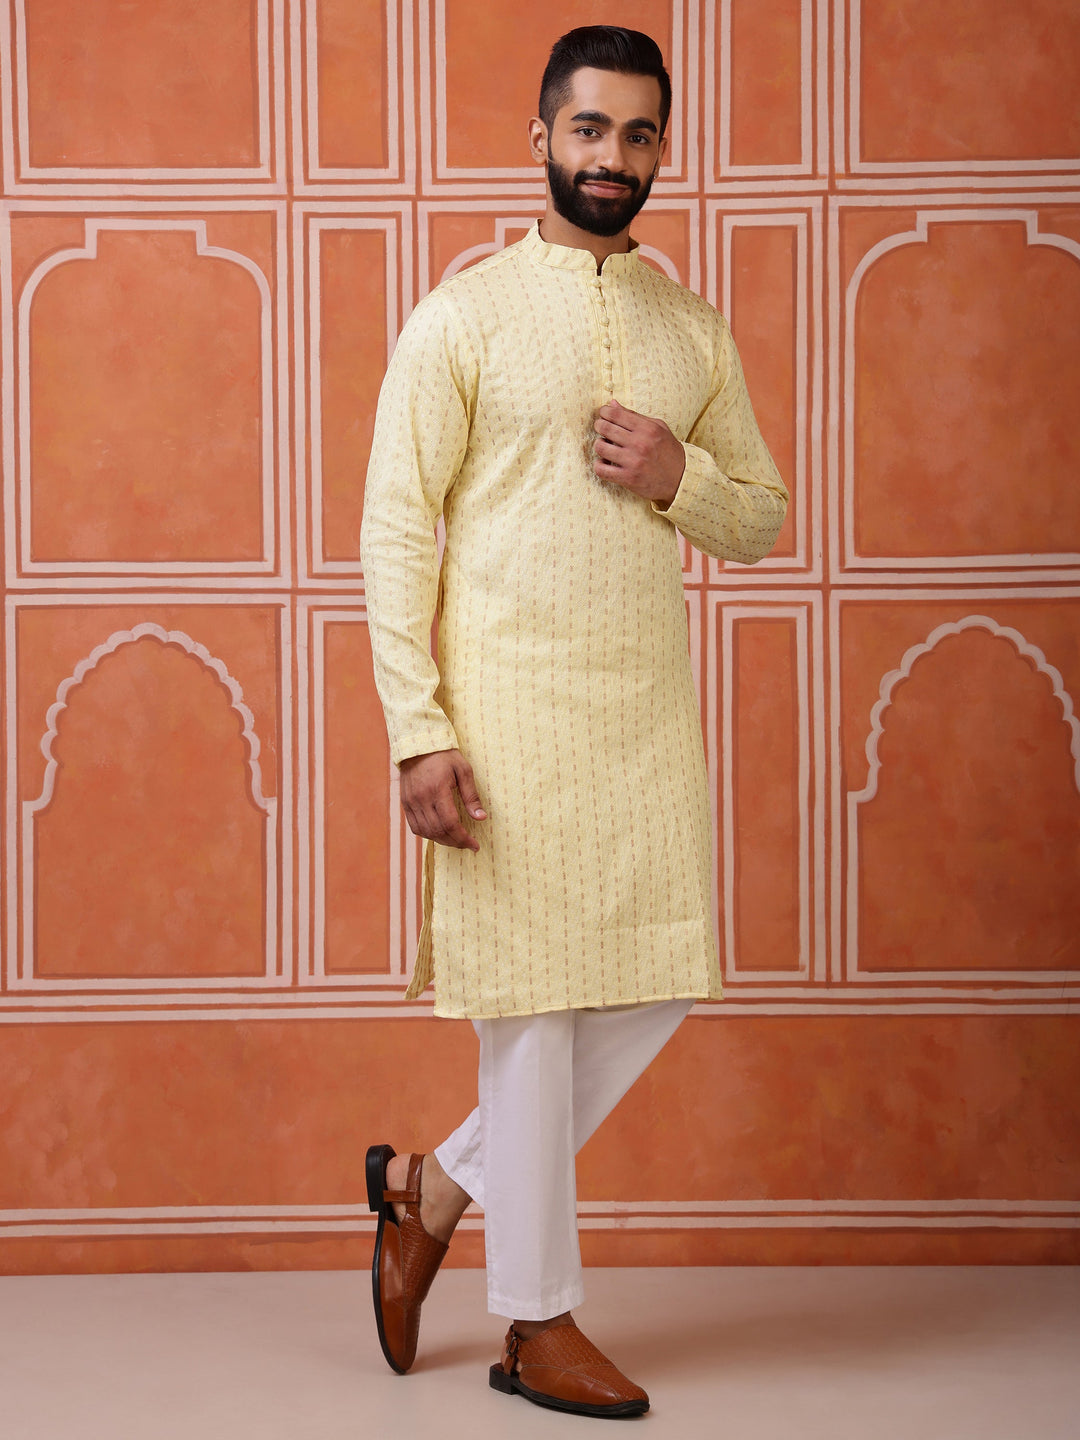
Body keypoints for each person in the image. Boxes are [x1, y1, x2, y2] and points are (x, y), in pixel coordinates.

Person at [359, 25, 788, 1419]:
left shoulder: (690, 329)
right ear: (540, 137)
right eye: (590, 131)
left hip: (641, 718)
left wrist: (680, 479)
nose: (613, 159)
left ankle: (430, 1192)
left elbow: (763, 516)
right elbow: (390, 530)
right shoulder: (466, 314)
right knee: (530, 1018)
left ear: (665, 150)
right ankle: (535, 1323)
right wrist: (418, 730)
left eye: (640, 135)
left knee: (658, 973)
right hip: (507, 712)